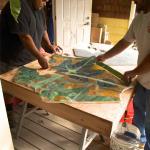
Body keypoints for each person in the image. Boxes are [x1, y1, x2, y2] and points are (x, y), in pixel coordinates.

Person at [96, 0, 150, 149]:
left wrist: (134, 72)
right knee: (138, 123)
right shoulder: (139, 17)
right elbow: (125, 41)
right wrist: (105, 56)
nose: (133, 1)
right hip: (142, 81)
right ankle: (138, 145)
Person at [0, 0, 60, 127]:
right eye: (44, 0)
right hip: (11, 57)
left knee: (31, 82)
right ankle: (9, 113)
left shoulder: (40, 8)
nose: (45, 3)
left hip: (29, 56)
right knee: (9, 89)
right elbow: (24, 36)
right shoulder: (16, 6)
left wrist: (49, 45)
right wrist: (39, 56)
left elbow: (43, 29)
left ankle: (32, 102)